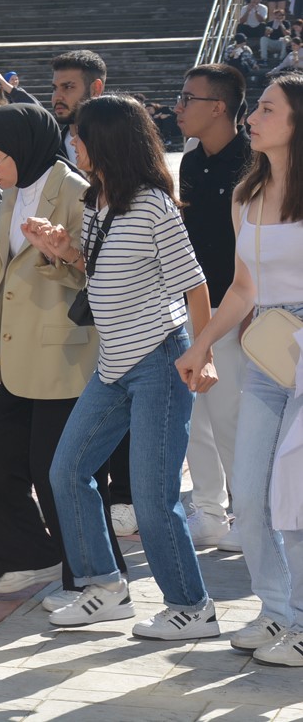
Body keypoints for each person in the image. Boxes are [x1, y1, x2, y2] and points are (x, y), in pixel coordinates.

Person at [29, 95, 217, 640]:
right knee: (67, 471)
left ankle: (191, 605)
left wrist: (199, 353)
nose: (74, 144)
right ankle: (104, 588)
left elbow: (195, 283)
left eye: (81, 136)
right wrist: (64, 250)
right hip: (113, 364)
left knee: (153, 499)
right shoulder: (96, 201)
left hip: (160, 357)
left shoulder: (155, 205)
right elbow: (98, 270)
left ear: (106, 140)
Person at [0, 104, 123, 597]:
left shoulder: (79, 193)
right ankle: (27, 556)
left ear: (23, 147)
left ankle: (92, 580)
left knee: (59, 471)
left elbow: (100, 272)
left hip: (66, 354)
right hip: (22, 357)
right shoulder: (12, 193)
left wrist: (61, 253)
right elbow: (14, 267)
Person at [175, 72, 303, 663]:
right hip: (268, 354)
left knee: (294, 494)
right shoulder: (245, 195)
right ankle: (277, 612)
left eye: (268, 110)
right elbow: (243, 287)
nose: (254, 118)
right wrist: (202, 344)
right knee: (249, 495)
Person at [174, 65, 253, 552]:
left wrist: (247, 310)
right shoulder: (189, 162)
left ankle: (247, 512)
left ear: (218, 106)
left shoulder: (254, 162)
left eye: (188, 99)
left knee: (230, 416)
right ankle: (207, 508)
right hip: (189, 305)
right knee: (192, 414)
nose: (178, 107)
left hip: (235, 308)